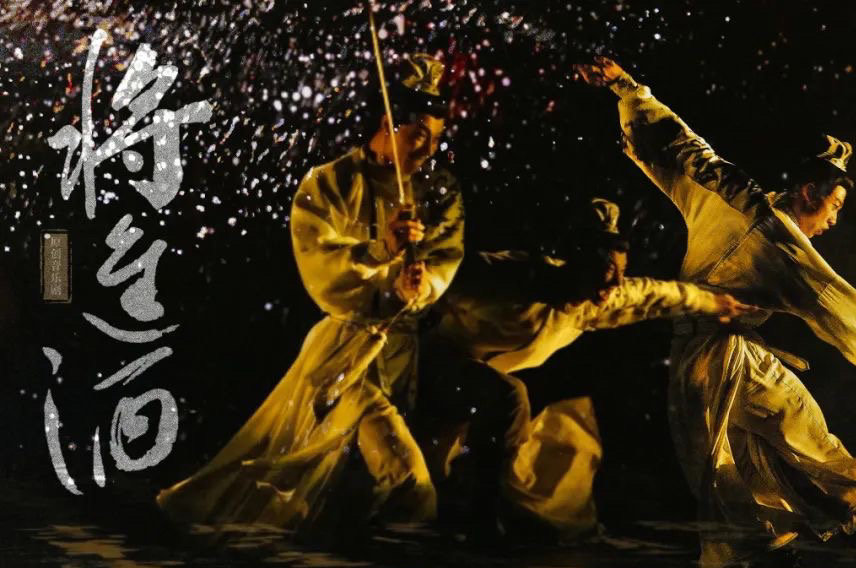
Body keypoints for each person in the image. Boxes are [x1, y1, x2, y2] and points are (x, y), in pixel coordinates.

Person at [577, 57, 856, 568]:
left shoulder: (733, 194)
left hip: (726, 352)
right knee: (737, 453)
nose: (834, 219)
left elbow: (685, 148)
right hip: (709, 353)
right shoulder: (783, 245)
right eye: (834, 205)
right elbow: (833, 299)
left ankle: (816, 519)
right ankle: (778, 539)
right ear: (809, 192)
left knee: (781, 430)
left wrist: (626, 88)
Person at [156, 54, 464, 540]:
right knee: (406, 477)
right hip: (345, 353)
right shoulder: (328, 183)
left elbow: (444, 256)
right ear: (389, 123)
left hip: (406, 351)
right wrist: (381, 251)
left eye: (437, 138)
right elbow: (320, 264)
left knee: (354, 485)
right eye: (420, 134)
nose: (429, 150)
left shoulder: (440, 189)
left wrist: (420, 286)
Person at [416, 197, 753, 542]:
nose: (614, 285)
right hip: (435, 365)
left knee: (498, 418)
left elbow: (655, 294)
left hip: (479, 384)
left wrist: (714, 302)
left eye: (620, 273)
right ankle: (482, 514)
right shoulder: (512, 277)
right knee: (510, 397)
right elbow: (442, 275)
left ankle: (479, 502)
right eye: (606, 272)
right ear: (577, 263)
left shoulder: (593, 304)